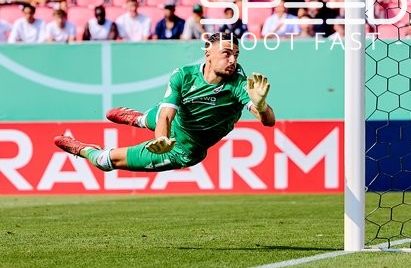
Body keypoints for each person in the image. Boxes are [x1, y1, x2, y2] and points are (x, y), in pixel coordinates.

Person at [54, 32, 275, 173]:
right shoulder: (184, 75)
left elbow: (268, 121)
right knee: (162, 114)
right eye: (227, 53)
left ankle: (84, 150)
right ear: (208, 54)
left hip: (182, 150)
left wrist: (262, 105)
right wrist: (161, 139)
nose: (233, 60)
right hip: (172, 125)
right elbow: (166, 115)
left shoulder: (239, 84)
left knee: (104, 161)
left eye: (236, 54)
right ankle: (139, 119)